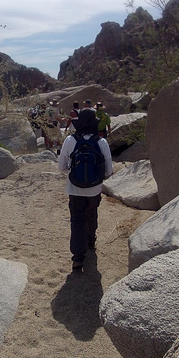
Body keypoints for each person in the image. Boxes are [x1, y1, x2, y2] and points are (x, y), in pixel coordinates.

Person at [58, 108, 113, 271]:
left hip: (74, 188)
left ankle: (78, 258)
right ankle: (91, 241)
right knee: (91, 214)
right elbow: (109, 171)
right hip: (94, 189)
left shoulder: (70, 140)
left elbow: (61, 167)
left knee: (77, 220)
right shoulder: (101, 142)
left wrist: (73, 168)